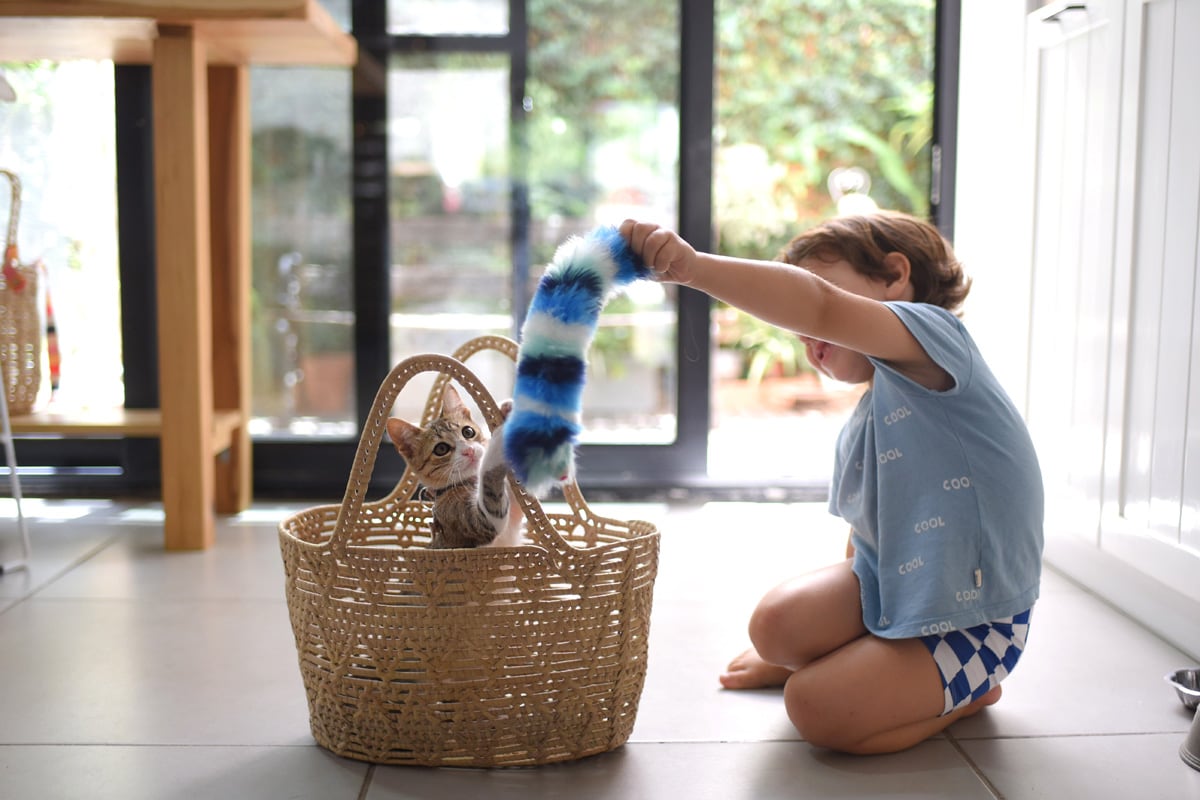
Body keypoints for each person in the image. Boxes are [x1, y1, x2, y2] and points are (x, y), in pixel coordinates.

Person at [619, 213, 1044, 755]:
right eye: (797, 332)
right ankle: (891, 670)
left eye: (820, 295)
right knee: (773, 627)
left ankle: (970, 690)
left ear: (894, 276)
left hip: (975, 623)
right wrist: (831, 631)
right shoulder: (868, 418)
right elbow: (863, 537)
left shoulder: (938, 338)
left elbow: (819, 306)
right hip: (897, 588)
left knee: (817, 708)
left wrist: (694, 268)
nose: (806, 334)